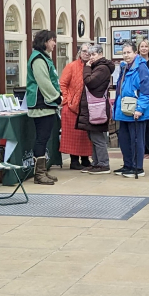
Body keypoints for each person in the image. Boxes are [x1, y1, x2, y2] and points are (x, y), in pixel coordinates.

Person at [26, 30, 62, 185]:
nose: (54, 44)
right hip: (42, 104)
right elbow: (44, 82)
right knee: (41, 139)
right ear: (45, 42)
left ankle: (42, 171)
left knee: (45, 138)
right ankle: (39, 174)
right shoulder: (38, 58)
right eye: (52, 40)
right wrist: (57, 97)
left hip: (47, 104)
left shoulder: (44, 58)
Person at [113, 41, 149, 178]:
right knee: (124, 140)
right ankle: (128, 165)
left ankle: (138, 167)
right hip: (123, 110)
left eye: (129, 52)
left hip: (136, 111)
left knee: (136, 139)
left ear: (135, 52)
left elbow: (147, 91)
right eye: (124, 53)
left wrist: (140, 108)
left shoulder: (141, 68)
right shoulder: (124, 67)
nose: (126, 55)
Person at [76, 43, 115, 174]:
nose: (91, 57)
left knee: (98, 137)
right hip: (92, 107)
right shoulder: (96, 67)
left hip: (97, 108)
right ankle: (96, 162)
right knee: (93, 136)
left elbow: (90, 82)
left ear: (101, 54)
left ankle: (103, 164)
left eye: (94, 54)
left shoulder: (102, 68)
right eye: (90, 54)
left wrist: (86, 68)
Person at [60, 43, 94, 170]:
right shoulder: (71, 66)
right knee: (72, 135)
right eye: (84, 51)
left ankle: (85, 159)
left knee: (85, 135)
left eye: (89, 51)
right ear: (80, 52)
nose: (86, 53)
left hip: (87, 107)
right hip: (71, 107)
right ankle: (74, 161)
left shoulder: (94, 66)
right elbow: (62, 84)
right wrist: (67, 100)